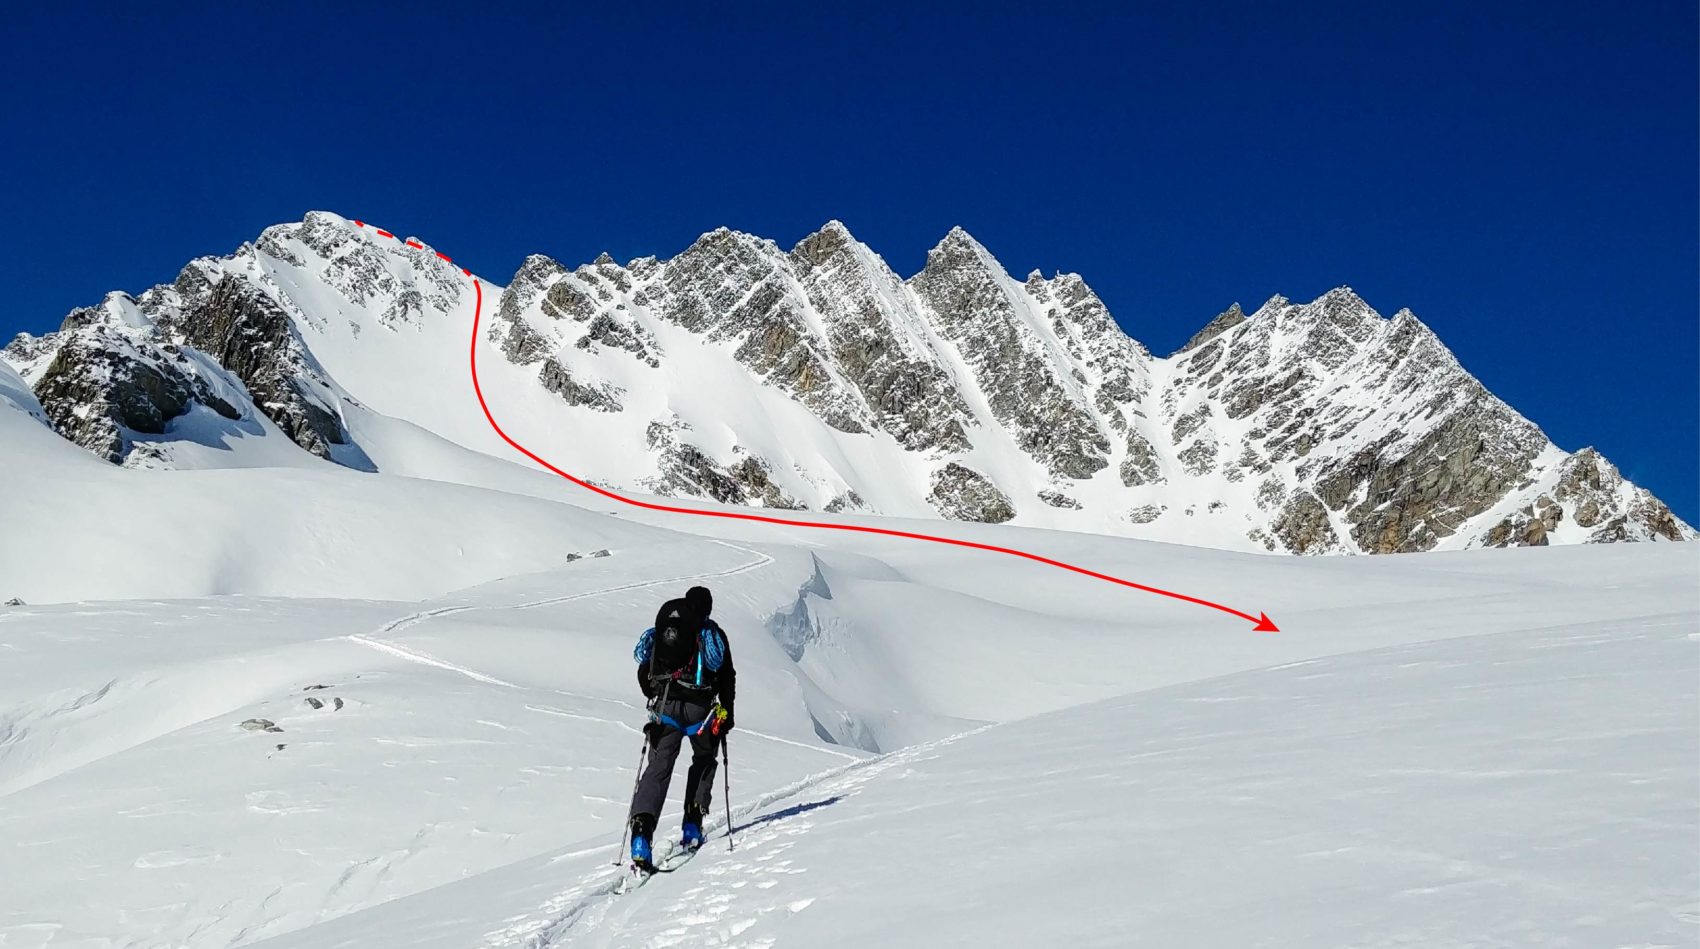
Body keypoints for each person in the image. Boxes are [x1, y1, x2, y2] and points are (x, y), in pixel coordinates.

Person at [627, 585, 735, 868]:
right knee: (703, 759)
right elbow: (726, 676)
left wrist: (653, 693)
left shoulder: (666, 627)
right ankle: (692, 825)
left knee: (659, 767)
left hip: (665, 707)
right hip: (700, 711)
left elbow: (645, 669)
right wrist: (727, 714)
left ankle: (641, 832)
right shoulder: (713, 634)